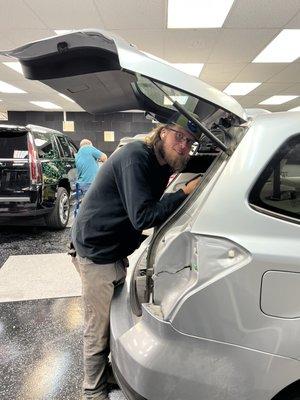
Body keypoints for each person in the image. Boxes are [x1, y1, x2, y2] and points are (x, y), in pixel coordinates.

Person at [71, 117, 201, 400]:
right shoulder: (135, 157)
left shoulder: (160, 160)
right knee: (98, 326)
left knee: (107, 320)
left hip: (112, 248)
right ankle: (92, 391)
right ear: (162, 132)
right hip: (96, 250)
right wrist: (184, 192)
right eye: (179, 137)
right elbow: (143, 215)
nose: (184, 146)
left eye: (190, 142)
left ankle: (103, 373)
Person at [74, 139, 107, 215]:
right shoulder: (89, 148)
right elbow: (104, 157)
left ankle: (78, 222)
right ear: (90, 144)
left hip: (80, 183)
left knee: (81, 205)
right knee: (94, 205)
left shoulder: (78, 153)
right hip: (90, 182)